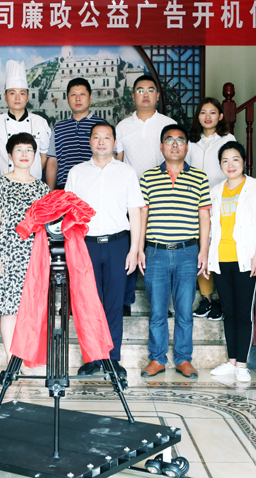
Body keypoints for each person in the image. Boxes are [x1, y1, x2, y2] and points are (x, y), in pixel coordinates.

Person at [65, 122, 144, 379]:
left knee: (113, 303)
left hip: (118, 244)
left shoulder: (126, 172)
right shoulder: (77, 172)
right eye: (96, 137)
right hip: (86, 245)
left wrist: (134, 249)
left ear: (114, 143)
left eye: (106, 137)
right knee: (88, 304)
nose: (101, 142)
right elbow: (69, 213)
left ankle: (112, 358)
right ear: (90, 142)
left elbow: (135, 212)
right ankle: (92, 358)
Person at [138, 124, 210, 380]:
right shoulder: (148, 177)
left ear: (187, 147)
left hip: (187, 252)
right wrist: (139, 249)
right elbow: (142, 215)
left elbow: (204, 216)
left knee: (184, 310)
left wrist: (204, 250)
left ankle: (183, 359)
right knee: (157, 311)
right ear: (161, 146)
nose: (175, 144)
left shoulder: (199, 178)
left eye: (180, 140)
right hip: (156, 252)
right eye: (169, 140)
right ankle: (157, 359)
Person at [208, 142, 256, 383]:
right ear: (220, 165)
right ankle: (231, 362)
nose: (230, 165)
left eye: (235, 159)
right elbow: (211, 228)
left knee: (243, 312)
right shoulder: (216, 191)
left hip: (246, 259)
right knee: (228, 311)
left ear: (244, 162)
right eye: (225, 160)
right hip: (221, 258)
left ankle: (242, 365)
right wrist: (207, 257)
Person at [0, 133, 49, 363]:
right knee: (9, 308)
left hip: (35, 255)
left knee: (31, 308)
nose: (24, 154)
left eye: (29, 150)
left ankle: (27, 355)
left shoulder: (42, 188)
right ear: (10, 155)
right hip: (8, 254)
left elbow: (46, 227)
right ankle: (12, 361)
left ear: (35, 155)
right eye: (19, 150)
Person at [115, 75, 176, 317]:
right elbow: (118, 163)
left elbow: (176, 160)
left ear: (157, 95)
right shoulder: (122, 126)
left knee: (157, 251)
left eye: (150, 90)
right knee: (128, 247)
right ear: (133, 96)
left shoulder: (168, 124)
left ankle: (160, 305)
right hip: (130, 198)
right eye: (140, 90)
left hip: (161, 195)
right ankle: (125, 300)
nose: (145, 94)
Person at [186, 97, 236, 321]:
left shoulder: (227, 139)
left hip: (220, 202)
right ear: (198, 116)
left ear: (220, 116)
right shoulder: (191, 142)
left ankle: (219, 299)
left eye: (213, 112)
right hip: (195, 202)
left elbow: (233, 168)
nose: (208, 116)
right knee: (201, 248)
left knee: (218, 247)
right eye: (203, 112)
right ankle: (206, 299)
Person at [0, 60, 51, 180]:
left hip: (33, 184)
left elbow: (44, 157)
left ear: (28, 97)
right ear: (5, 97)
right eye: (12, 93)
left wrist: (30, 177)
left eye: (22, 93)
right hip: (2, 184)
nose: (17, 98)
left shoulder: (40, 122)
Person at [45, 78, 107, 190]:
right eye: (73, 95)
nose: (78, 99)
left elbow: (110, 158)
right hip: (65, 189)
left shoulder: (103, 126)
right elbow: (53, 162)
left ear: (90, 97)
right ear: (68, 99)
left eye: (82, 94)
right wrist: (50, 194)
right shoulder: (59, 128)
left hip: (96, 188)